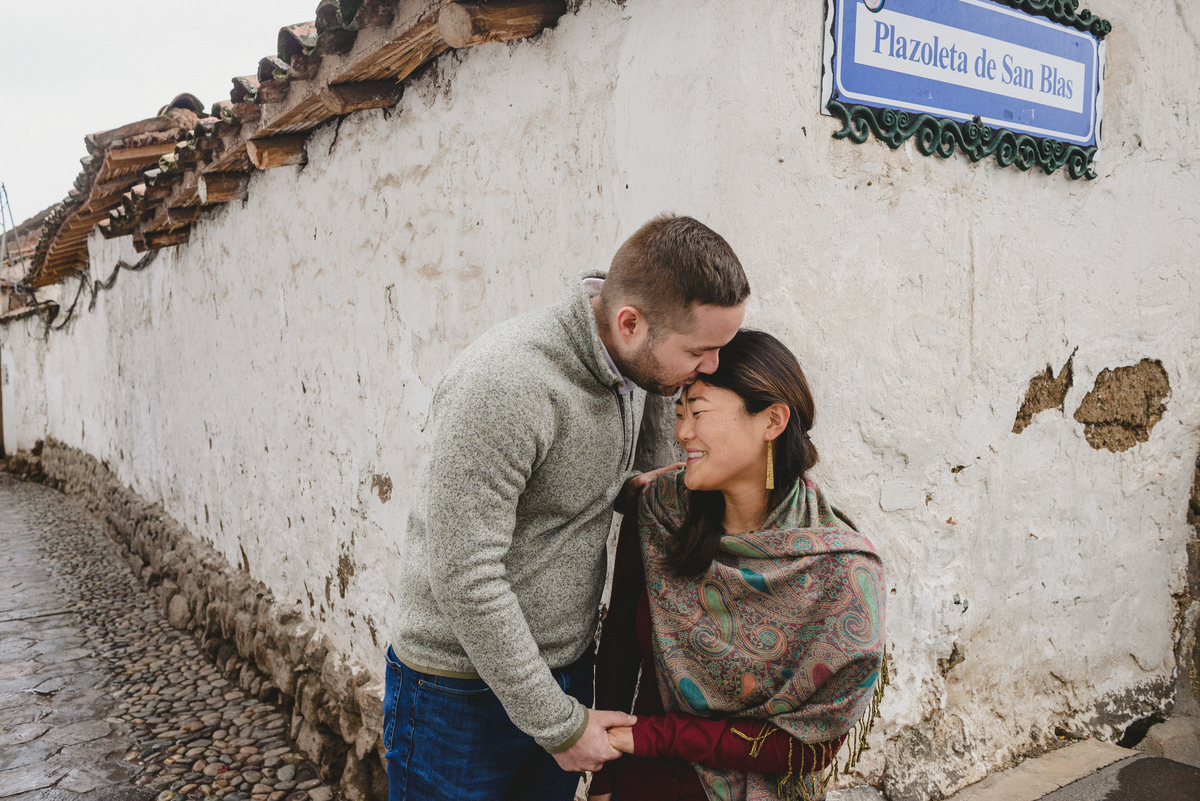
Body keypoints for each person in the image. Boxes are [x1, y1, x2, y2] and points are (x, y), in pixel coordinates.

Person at [384, 214, 752, 800]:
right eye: (700, 351)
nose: (709, 368)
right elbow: (463, 572)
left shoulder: (639, 371)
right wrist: (557, 725)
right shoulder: (504, 385)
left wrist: (643, 490)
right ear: (629, 323)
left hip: (566, 672)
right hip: (457, 692)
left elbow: (596, 486)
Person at [590, 330, 887, 801]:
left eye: (700, 413)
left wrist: (652, 737)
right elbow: (620, 649)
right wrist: (603, 778)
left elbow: (811, 747)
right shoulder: (660, 514)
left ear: (771, 420)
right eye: (679, 413)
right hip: (640, 785)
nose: (682, 433)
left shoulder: (838, 571)